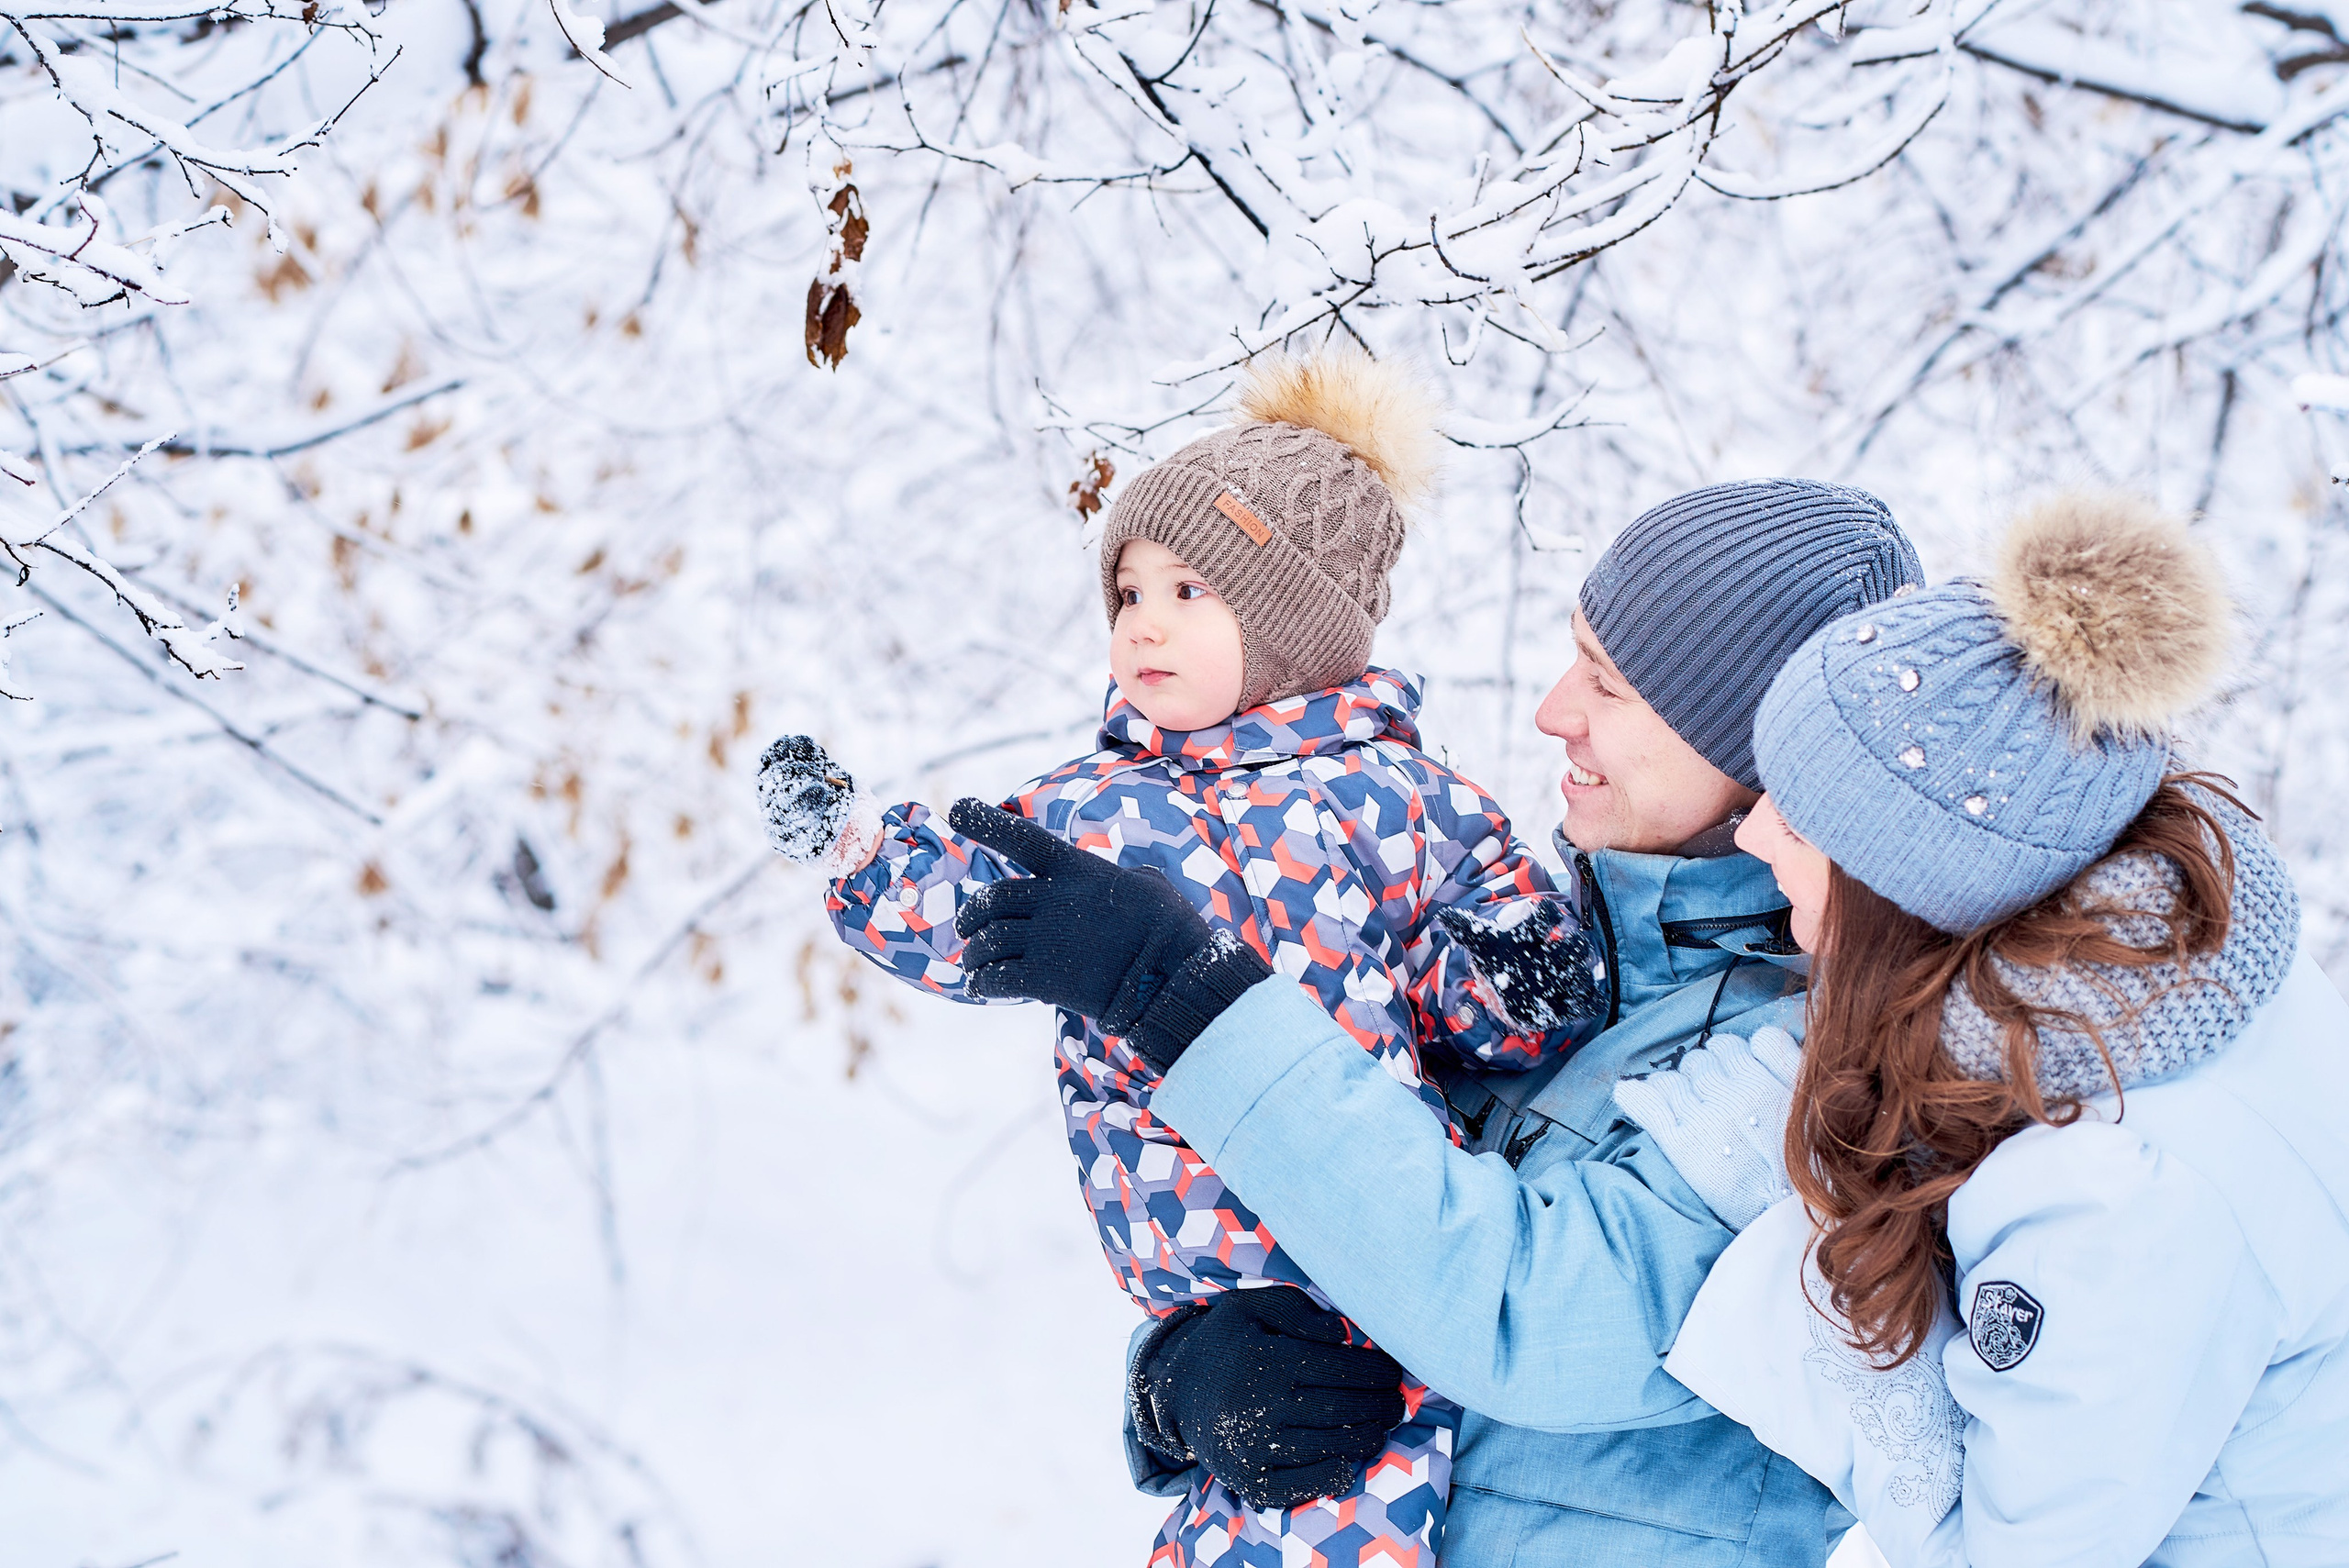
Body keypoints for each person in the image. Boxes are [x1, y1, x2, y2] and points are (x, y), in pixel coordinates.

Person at [952, 479, 1928, 1564]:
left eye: (1606, 685)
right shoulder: (1520, 963)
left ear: (1750, 753)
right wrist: (1182, 1381)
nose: (1554, 710)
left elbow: (1528, 1315)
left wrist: (1177, 988)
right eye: (1572, 657)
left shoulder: (1829, 1070)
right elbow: (1329, 1229)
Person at [758, 348, 1608, 1568]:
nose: (1144, 623)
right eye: (1128, 594)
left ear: (1292, 625)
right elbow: (967, 910)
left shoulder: (1404, 801)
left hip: (1377, 1237)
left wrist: (1524, 973)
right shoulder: (1091, 809)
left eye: (1190, 592)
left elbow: (1484, 985)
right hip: (1204, 1277)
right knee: (1246, 1515)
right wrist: (856, 851)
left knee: (1366, 1498)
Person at [1645, 493, 2349, 1567]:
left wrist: (1800, 1242)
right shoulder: (2161, 965)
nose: (1749, 831)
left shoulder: (2123, 1187)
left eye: (1795, 810)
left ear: (1907, 877)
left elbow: (2009, 1551)